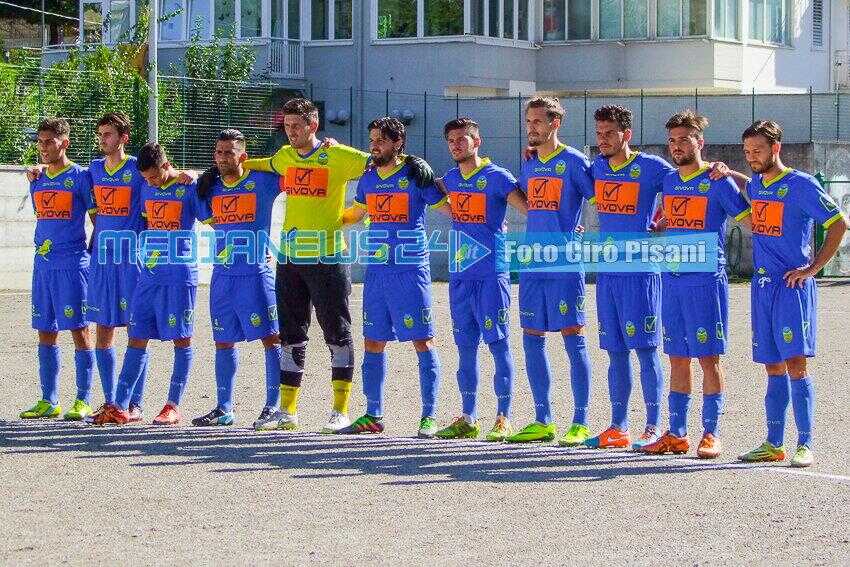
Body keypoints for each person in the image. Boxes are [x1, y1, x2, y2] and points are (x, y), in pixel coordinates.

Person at [196, 98, 434, 433]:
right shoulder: (284, 156)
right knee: (291, 336)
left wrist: (413, 160)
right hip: (289, 259)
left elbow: (380, 159)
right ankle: (288, 411)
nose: (291, 132)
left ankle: (340, 410)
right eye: (287, 126)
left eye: (297, 126)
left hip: (327, 258)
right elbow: (253, 163)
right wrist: (206, 173)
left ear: (313, 124)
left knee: (337, 334)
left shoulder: (339, 156)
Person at [641, 110, 751, 458]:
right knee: (677, 357)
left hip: (705, 281)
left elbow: (751, 217)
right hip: (672, 278)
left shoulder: (718, 180)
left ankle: (711, 433)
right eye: (672, 141)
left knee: (708, 358)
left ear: (699, 142)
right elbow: (670, 216)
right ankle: (676, 433)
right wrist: (660, 226)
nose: (676, 146)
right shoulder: (669, 181)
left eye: (684, 140)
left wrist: (732, 172)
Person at [737, 120, 848, 468]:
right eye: (747, 152)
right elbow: (748, 186)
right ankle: (773, 443)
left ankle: (805, 443)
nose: (752, 157)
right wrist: (727, 173)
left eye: (757, 151)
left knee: (796, 365)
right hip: (762, 288)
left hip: (791, 288)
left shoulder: (801, 185)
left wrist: (812, 269)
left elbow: (839, 223)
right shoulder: (757, 183)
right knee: (772, 366)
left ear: (776, 148)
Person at [336, 117, 446, 438]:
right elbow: (357, 213)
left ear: (398, 143)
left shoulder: (415, 174)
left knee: (422, 340)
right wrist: (326, 220)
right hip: (377, 274)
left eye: (381, 140)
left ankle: (429, 416)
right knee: (373, 341)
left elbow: (449, 208)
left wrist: (491, 220)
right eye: (372, 139)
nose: (374, 146)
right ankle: (373, 414)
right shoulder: (368, 178)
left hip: (410, 271)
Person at [94, 142, 212, 425]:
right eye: (146, 178)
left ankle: (172, 405)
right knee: (137, 334)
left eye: (155, 176)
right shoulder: (146, 188)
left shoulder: (187, 188)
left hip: (180, 274)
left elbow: (215, 220)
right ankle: (121, 405)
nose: (151, 182)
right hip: (149, 275)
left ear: (166, 164)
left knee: (181, 338)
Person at [507, 97, 596, 446]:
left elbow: (599, 199)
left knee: (572, 336)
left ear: (555, 124)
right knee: (532, 336)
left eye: (538, 122)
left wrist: (578, 230)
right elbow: (528, 201)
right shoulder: (529, 162)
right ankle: (542, 419)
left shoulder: (574, 161)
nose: (531, 128)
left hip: (564, 264)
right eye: (528, 121)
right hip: (533, 263)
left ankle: (580, 421)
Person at [433, 117, 527, 442]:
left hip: (490, 274)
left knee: (498, 344)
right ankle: (468, 417)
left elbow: (531, 209)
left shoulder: (497, 177)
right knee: (465, 349)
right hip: (460, 275)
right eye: (451, 141)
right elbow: (428, 188)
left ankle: (503, 417)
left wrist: (566, 225)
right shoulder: (450, 179)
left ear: (477, 141)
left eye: (462, 139)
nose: (456, 145)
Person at [190, 129, 284, 427]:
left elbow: (294, 168)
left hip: (255, 275)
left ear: (243, 156)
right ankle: (224, 408)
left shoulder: (263, 181)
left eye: (229, 152)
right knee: (223, 340)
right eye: (218, 152)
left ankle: (273, 405)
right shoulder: (209, 187)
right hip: (222, 276)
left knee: (271, 338)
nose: (222, 158)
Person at [20, 118, 96, 421]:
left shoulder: (80, 177)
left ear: (65, 143)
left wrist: (90, 256)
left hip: (72, 264)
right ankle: (48, 400)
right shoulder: (36, 178)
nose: (43, 147)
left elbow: (98, 222)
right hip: (43, 265)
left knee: (79, 329)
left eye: (49, 142)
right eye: (40, 142)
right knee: (45, 330)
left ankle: (83, 399)